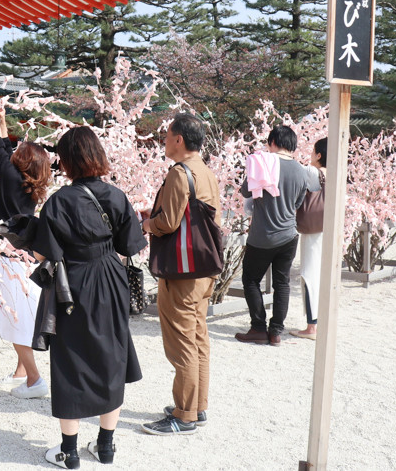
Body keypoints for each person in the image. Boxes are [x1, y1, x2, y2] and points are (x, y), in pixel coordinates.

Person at [30, 126, 147, 469]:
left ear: (67, 161)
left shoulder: (59, 202)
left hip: (74, 284)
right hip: (111, 279)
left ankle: (69, 452)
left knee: (71, 360)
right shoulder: (115, 195)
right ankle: (106, 447)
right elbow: (131, 246)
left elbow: (44, 255)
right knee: (111, 356)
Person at [139, 113, 221, 436]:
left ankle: (184, 414)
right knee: (198, 336)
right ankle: (196, 405)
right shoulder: (206, 172)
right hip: (203, 269)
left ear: (179, 140)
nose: (164, 140)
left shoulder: (179, 173)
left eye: (167, 135)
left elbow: (168, 223)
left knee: (182, 342)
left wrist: (148, 223)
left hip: (182, 273)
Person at [0, 107, 51, 398]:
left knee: (14, 318)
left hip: (5, 256)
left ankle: (35, 380)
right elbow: (3, 147)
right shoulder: (28, 184)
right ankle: (22, 372)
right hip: (23, 255)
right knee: (19, 314)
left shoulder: (8, 174)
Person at [235, 126, 310, 346]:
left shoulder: (264, 163)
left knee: (250, 279)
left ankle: (258, 327)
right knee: (282, 283)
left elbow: (245, 191)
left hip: (262, 235)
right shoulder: (301, 170)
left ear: (274, 141)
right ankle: (276, 331)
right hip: (288, 235)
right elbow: (298, 203)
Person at [291, 138, 327, 340]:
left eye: (314, 152)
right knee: (321, 276)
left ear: (320, 155)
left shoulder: (314, 172)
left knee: (309, 274)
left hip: (313, 232)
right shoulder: (337, 173)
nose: (311, 155)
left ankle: (311, 326)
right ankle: (319, 322)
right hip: (327, 230)